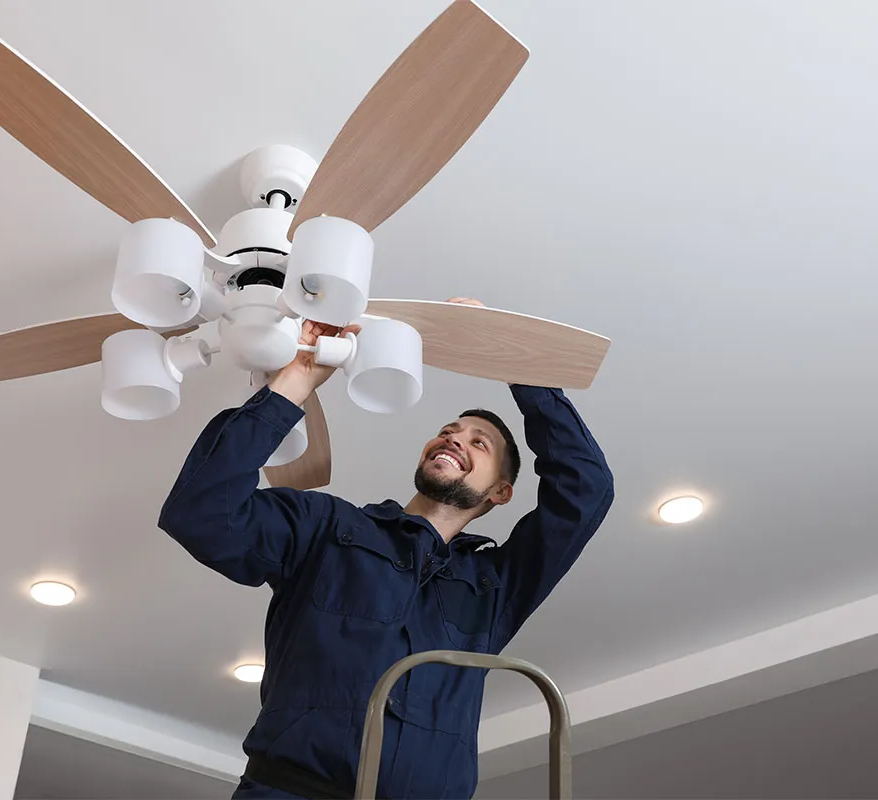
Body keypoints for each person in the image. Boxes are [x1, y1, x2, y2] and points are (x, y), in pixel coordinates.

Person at [158, 297, 614, 799]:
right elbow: (201, 514)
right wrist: (295, 381)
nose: (455, 438)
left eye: (478, 442)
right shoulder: (326, 527)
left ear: (500, 492)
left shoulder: (495, 587)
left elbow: (585, 489)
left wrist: (506, 356)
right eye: (448, 431)